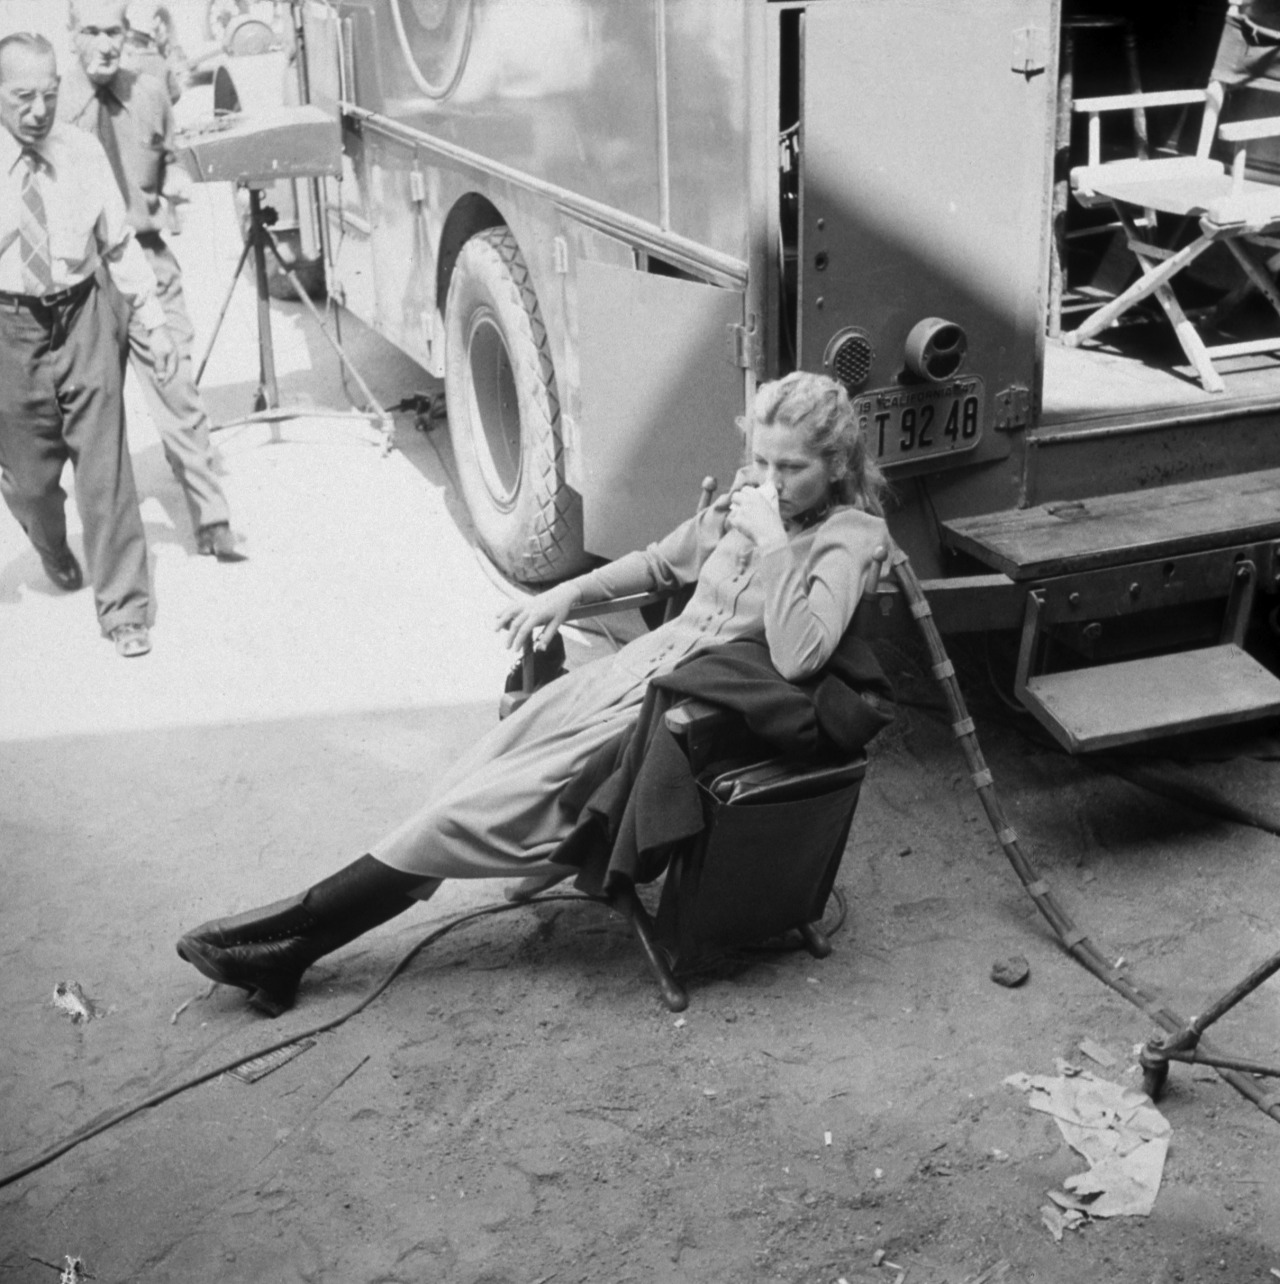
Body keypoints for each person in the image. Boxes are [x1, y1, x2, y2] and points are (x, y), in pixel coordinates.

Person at [176, 372, 890, 1016]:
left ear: (835, 466)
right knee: (465, 783)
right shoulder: (747, 500)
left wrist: (773, 542)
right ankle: (288, 946)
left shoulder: (847, 538)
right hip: (622, 677)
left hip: (674, 719)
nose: (769, 479)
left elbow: (801, 656)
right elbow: (660, 563)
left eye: (791, 467)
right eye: (762, 460)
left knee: (464, 817)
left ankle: (291, 939)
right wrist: (568, 592)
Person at [0, 31, 178, 658]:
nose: (38, 110)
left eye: (48, 94)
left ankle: (125, 609)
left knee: (105, 469)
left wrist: (153, 322)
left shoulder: (79, 151)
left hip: (81, 317)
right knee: (28, 480)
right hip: (7, 328)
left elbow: (119, 243)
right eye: (22, 96)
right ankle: (50, 544)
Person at [60, 0, 242, 563]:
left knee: (177, 387)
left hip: (148, 259)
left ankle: (212, 518)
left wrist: (171, 193)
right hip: (83, 278)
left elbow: (168, 164)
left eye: (114, 31)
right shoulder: (51, 106)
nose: (105, 44)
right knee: (92, 413)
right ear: (72, 35)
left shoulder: (150, 93)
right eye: (91, 31)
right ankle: (97, 538)